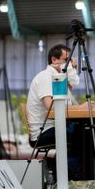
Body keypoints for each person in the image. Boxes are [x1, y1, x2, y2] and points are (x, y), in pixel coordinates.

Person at [26, 44, 89, 180]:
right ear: (54, 60)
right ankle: (72, 176)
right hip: (43, 132)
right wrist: (80, 108)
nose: (70, 64)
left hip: (57, 126)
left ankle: (69, 170)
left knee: (85, 129)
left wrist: (71, 73)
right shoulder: (45, 77)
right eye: (67, 60)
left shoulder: (58, 77)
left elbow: (66, 104)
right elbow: (52, 108)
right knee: (82, 132)